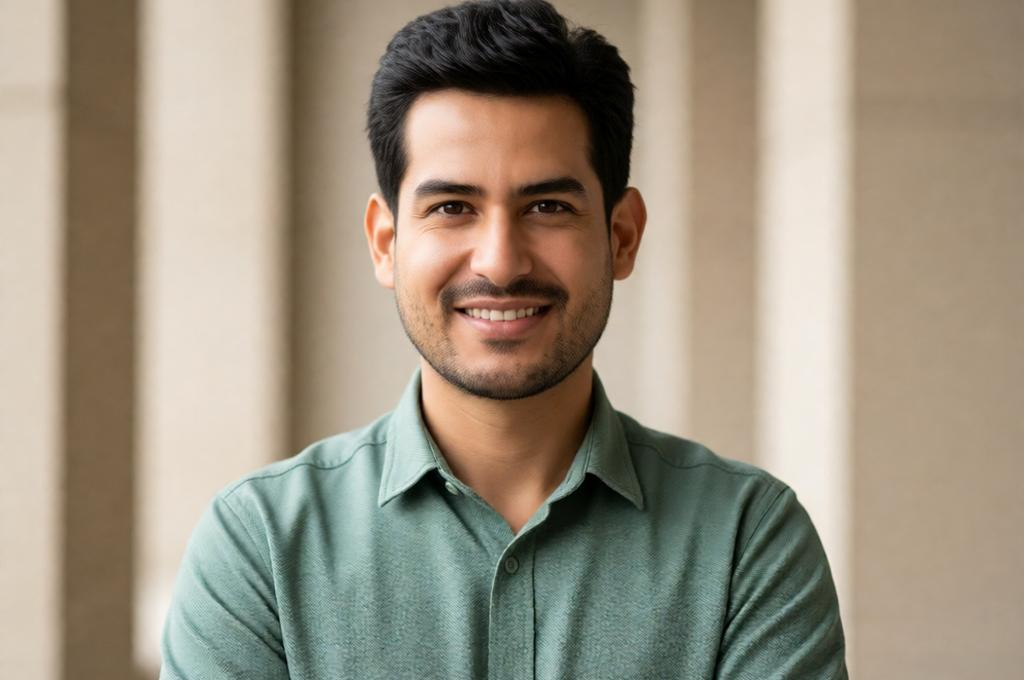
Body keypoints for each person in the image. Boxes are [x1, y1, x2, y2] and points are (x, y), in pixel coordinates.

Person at [159, 1, 847, 678]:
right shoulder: (261, 546)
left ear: (622, 235)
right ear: (386, 243)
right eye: (452, 208)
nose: (500, 261)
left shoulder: (746, 540)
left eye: (547, 206)